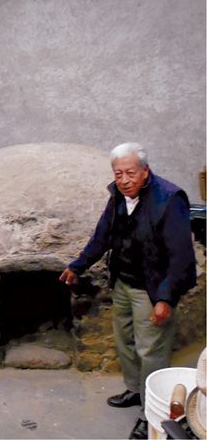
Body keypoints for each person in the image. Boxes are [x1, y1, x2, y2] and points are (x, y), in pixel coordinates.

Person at [59, 142, 197, 439]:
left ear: (145, 171)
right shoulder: (118, 197)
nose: (124, 180)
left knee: (152, 351)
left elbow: (182, 258)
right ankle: (136, 391)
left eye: (130, 173)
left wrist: (165, 298)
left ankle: (154, 414)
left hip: (152, 289)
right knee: (126, 343)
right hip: (123, 282)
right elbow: (102, 236)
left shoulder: (170, 199)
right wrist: (78, 266)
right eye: (118, 173)